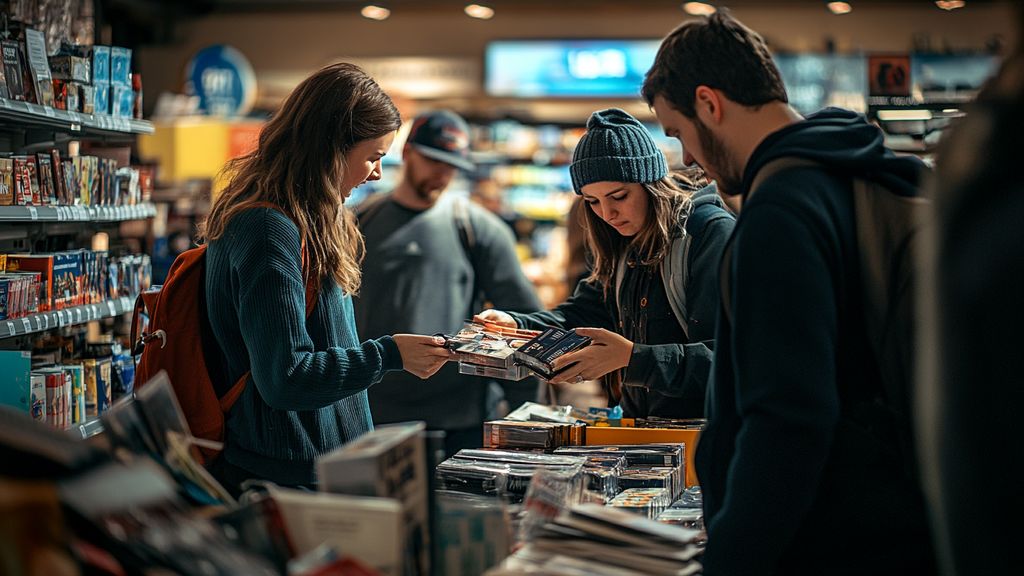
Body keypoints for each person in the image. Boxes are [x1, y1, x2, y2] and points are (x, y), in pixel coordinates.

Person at [641, 10, 935, 575]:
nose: (686, 160)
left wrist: (731, 560)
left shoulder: (781, 211)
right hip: (895, 518)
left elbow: (788, 419)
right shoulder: (855, 171)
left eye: (678, 132)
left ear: (709, 102)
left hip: (830, 541)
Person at [200, 63, 450, 493]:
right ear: (331, 146)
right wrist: (389, 355)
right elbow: (286, 377)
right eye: (372, 156)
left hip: (322, 470)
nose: (376, 173)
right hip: (280, 479)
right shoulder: (267, 228)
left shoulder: (310, 218)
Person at [478, 108, 734, 419]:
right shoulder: (625, 239)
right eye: (593, 202)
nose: (608, 213)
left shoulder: (708, 234)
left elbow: (731, 361)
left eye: (619, 195)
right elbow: (584, 314)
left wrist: (631, 358)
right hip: (646, 431)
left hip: (707, 437)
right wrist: (518, 325)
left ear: (651, 183)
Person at [352, 109, 542, 458]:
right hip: (373, 416)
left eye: (451, 165)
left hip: (459, 419)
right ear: (408, 152)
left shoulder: (477, 228)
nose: (443, 173)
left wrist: (524, 419)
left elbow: (524, 322)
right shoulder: (359, 223)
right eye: (434, 161)